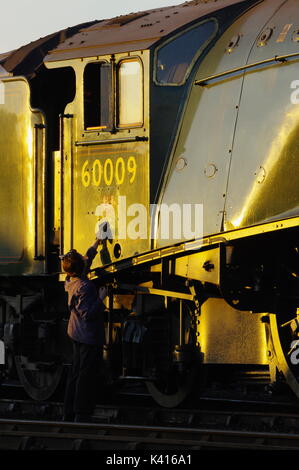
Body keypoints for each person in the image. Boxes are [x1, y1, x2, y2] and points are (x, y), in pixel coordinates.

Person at [60, 239, 107, 422]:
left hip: (75, 332)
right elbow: (88, 313)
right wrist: (101, 298)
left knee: (75, 372)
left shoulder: (71, 280)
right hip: (87, 334)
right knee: (85, 374)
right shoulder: (85, 286)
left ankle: (68, 411)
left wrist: (96, 243)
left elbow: (86, 259)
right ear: (81, 268)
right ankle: (81, 413)